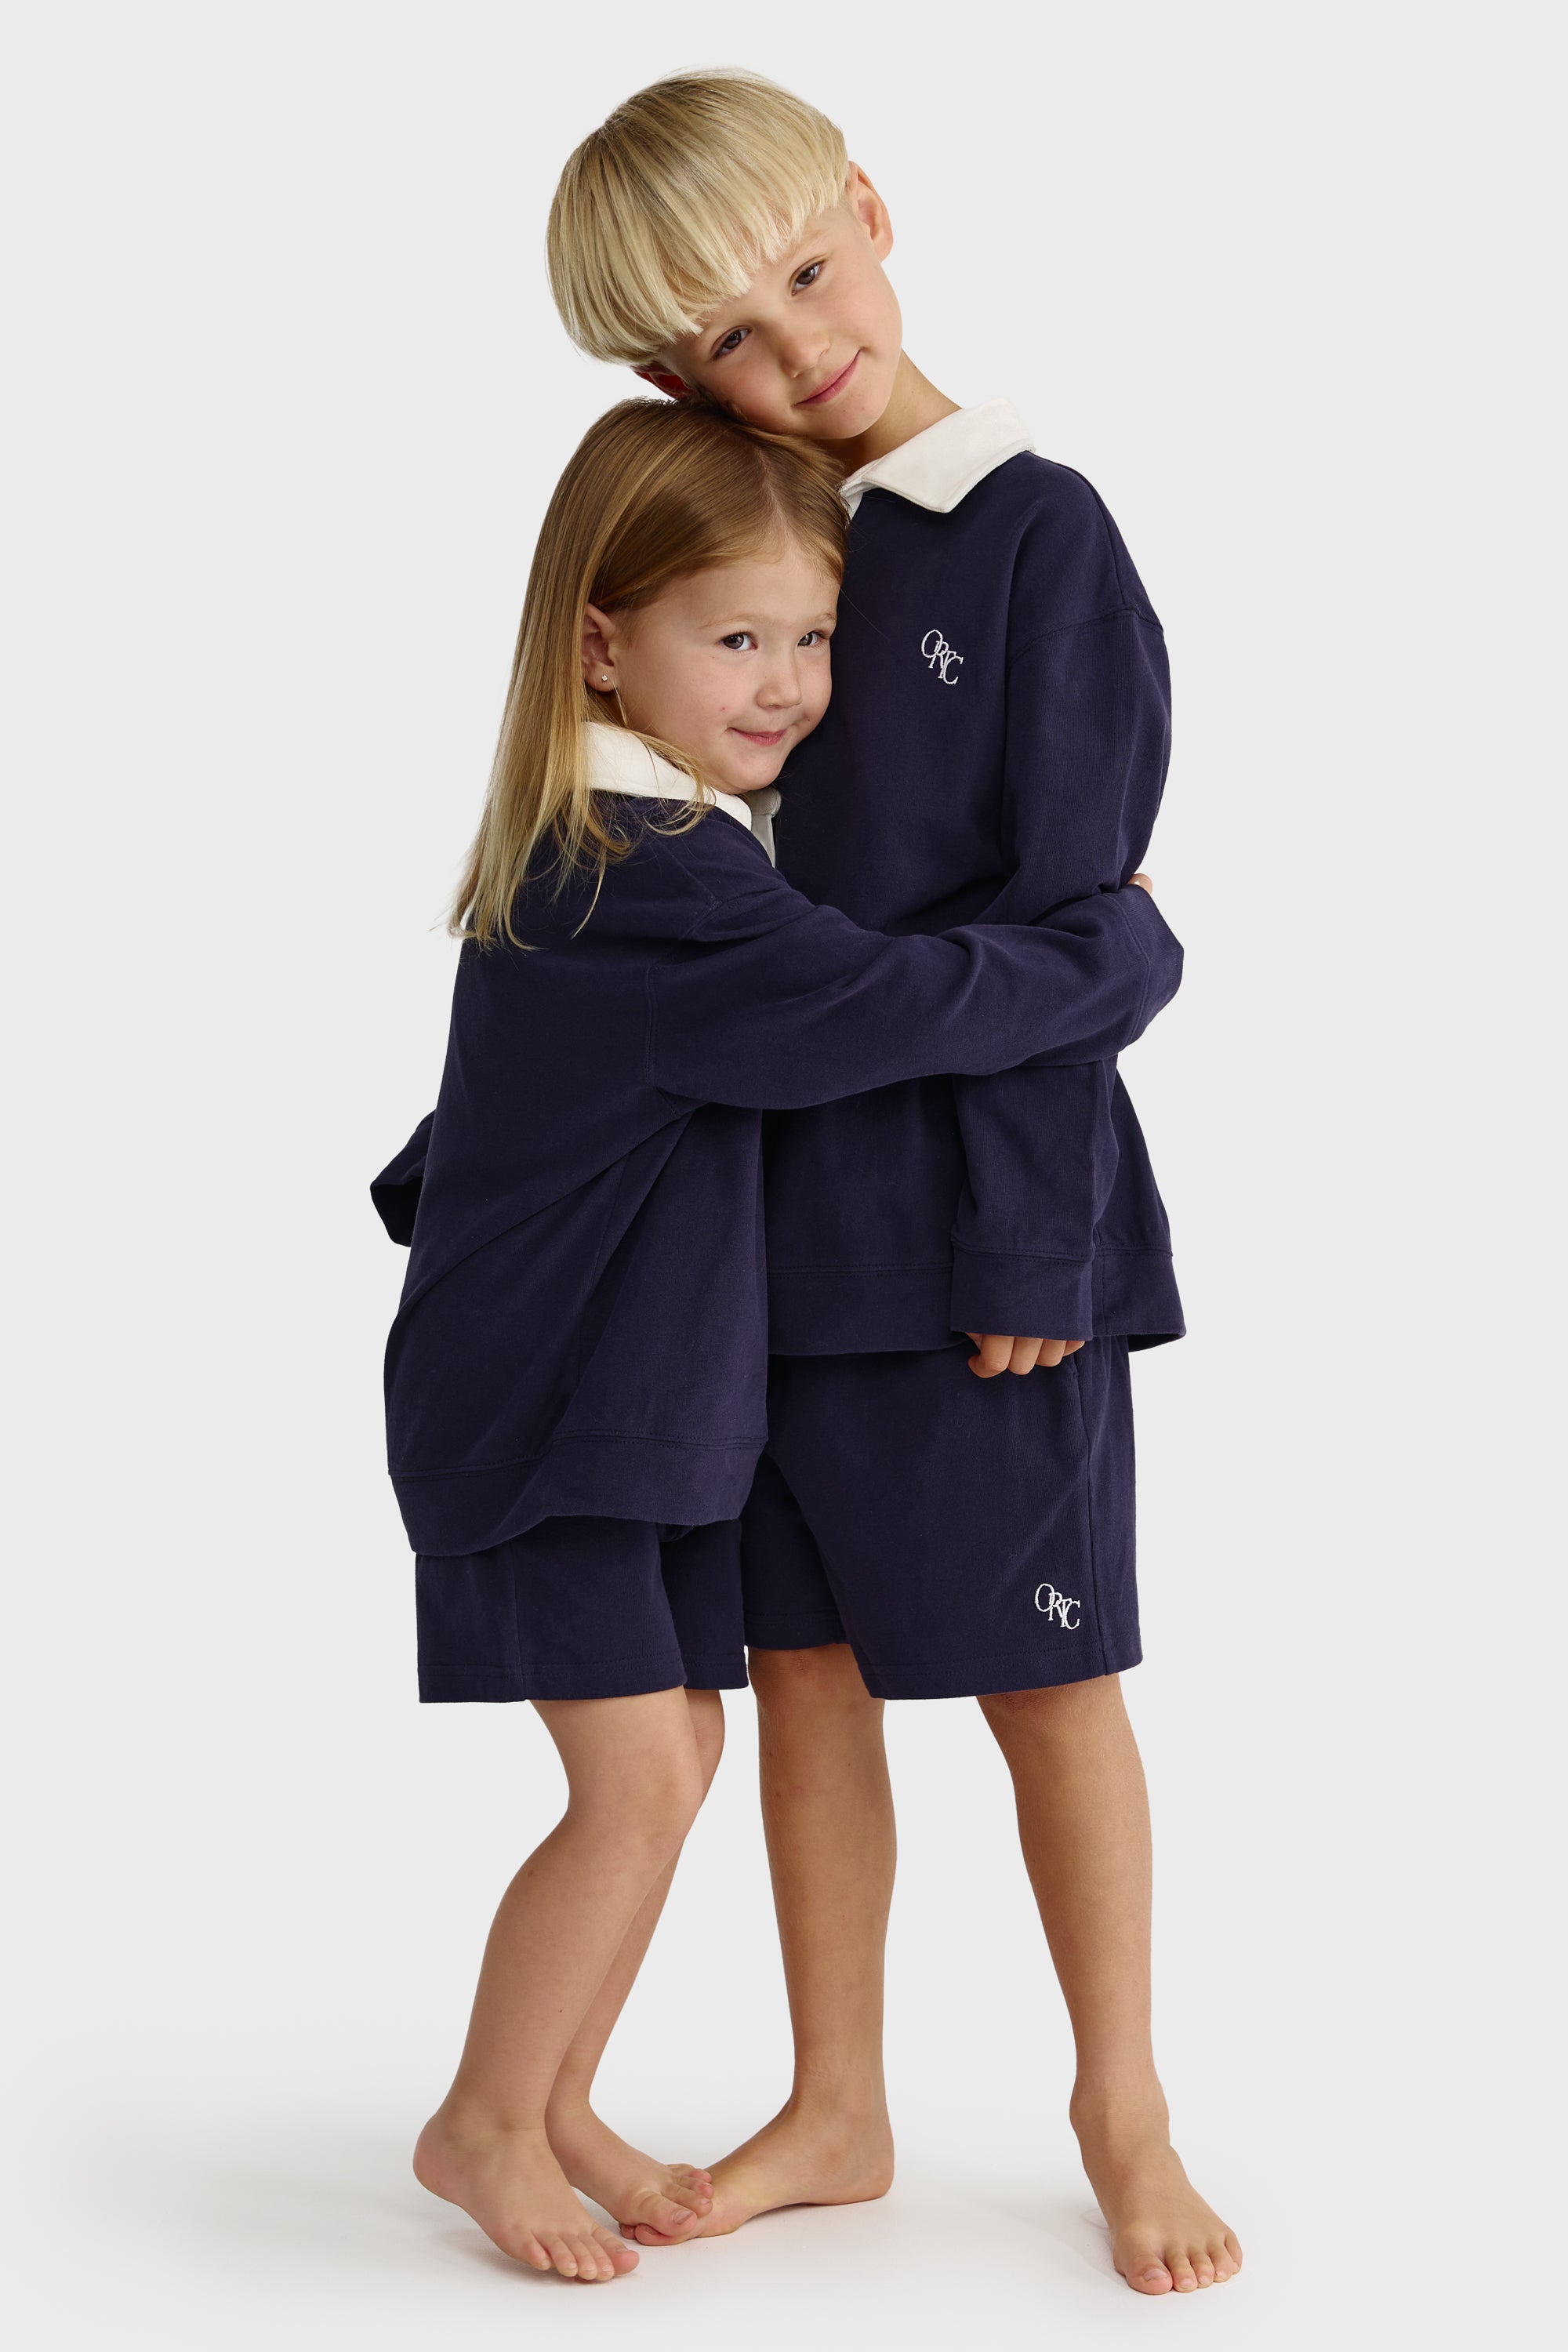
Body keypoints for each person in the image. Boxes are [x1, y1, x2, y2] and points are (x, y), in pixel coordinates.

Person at [546, 71, 1241, 2295]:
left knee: (1052, 1681)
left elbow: (1072, 913)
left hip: (978, 1239)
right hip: (759, 1245)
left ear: (868, 205)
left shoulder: (1037, 535)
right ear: (675, 381)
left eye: (809, 275)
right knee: (806, 1673)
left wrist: (1034, 1233)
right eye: (730, 342)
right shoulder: (732, 541)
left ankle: (1122, 2105)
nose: (800, 350)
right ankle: (836, 2100)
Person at [373, 394, 1180, 2282]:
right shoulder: (652, 864)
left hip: (631, 1397)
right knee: (645, 1778)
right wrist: (1127, 952)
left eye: (814, 638)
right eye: (736, 638)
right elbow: (879, 1001)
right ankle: (487, 2120)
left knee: (679, 1758)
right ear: (602, 644)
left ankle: (558, 2108)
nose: (791, 685)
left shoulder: (639, 837)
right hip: (570, 1414)